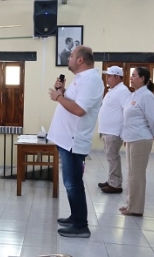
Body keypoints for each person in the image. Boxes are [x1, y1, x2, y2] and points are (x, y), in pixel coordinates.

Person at [48, 46, 104, 238]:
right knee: (70, 182)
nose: (68, 59)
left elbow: (80, 110)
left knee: (73, 184)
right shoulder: (81, 79)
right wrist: (62, 91)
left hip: (73, 140)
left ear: (80, 60)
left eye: (71, 56)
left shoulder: (91, 80)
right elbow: (72, 102)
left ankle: (81, 226)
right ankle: (75, 216)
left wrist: (58, 97)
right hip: (66, 138)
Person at [119, 67, 154, 216]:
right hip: (131, 138)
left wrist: (153, 133)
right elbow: (127, 118)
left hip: (141, 139)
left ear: (142, 78)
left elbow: (152, 119)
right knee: (131, 174)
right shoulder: (134, 94)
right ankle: (130, 203)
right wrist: (125, 136)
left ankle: (136, 208)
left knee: (137, 175)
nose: (131, 78)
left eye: (134, 76)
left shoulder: (146, 96)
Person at [97, 66, 131, 194]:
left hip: (114, 131)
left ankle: (115, 184)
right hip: (108, 131)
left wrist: (124, 132)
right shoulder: (113, 90)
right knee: (110, 157)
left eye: (109, 76)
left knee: (113, 157)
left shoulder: (123, 91)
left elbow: (127, 112)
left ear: (117, 77)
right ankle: (112, 179)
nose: (107, 78)